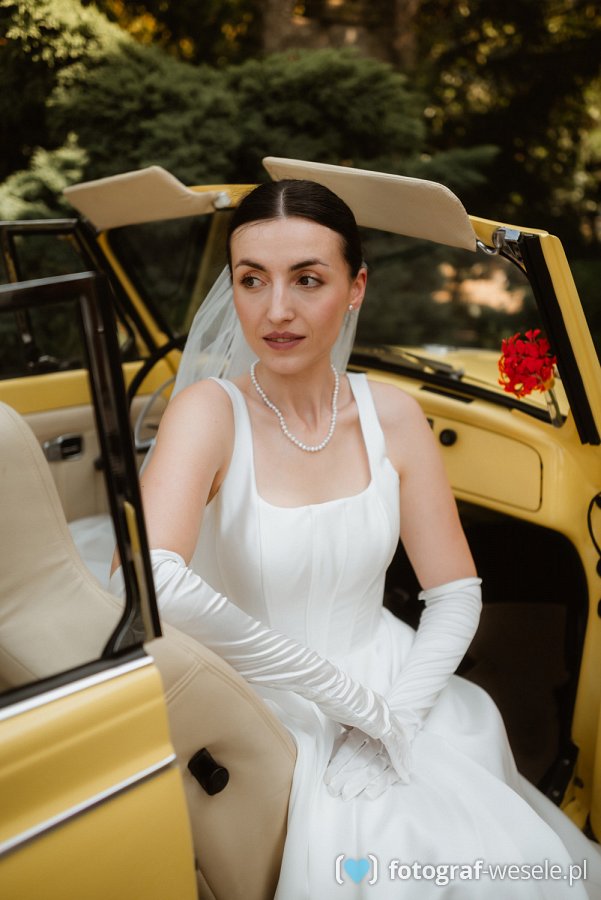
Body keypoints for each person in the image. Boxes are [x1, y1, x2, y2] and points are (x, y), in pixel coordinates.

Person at [110, 179, 601, 897]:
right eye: (252, 280)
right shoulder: (207, 412)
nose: (276, 310)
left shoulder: (393, 414)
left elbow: (455, 592)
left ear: (355, 288)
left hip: (395, 677)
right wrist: (348, 702)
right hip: (263, 694)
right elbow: (154, 579)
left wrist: (395, 714)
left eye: (307, 279)